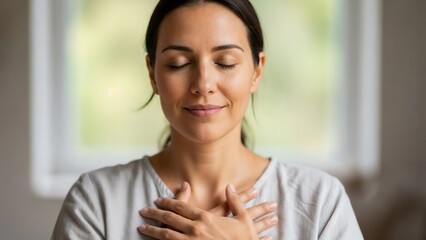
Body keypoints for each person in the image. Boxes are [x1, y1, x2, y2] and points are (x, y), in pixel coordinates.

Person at [51, 0, 363, 239]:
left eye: (225, 62)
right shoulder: (96, 200)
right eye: (178, 63)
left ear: (257, 71)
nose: (203, 83)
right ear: (152, 74)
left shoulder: (320, 201)